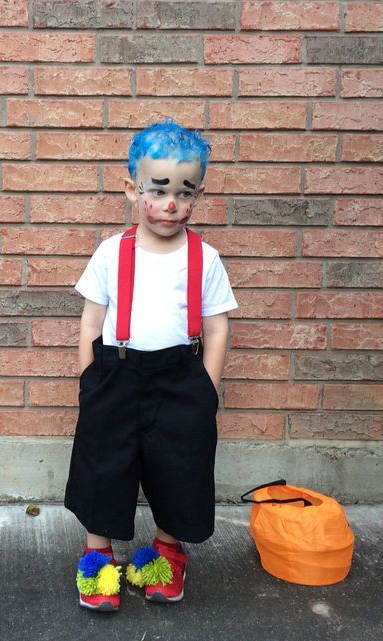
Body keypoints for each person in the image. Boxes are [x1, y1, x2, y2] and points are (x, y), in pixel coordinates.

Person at [64, 119, 238, 612]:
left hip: (181, 378)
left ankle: (164, 552)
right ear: (131, 189)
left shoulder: (204, 258)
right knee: (105, 464)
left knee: (178, 468)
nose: (170, 204)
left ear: (198, 194)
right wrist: (88, 380)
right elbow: (90, 319)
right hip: (115, 373)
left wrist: (206, 385)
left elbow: (218, 325)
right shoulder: (110, 252)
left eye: (185, 193)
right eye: (157, 191)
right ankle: (99, 556)